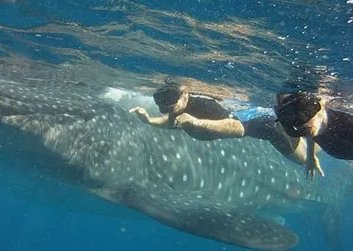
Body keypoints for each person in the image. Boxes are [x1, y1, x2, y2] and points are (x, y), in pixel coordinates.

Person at [130, 80, 323, 178]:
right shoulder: (179, 108)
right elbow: (174, 122)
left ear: (185, 95)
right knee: (311, 143)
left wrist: (198, 124)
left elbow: (237, 127)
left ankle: (323, 129)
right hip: (255, 122)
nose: (168, 111)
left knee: (306, 159)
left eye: (171, 107)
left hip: (266, 127)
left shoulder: (206, 106)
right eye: (163, 109)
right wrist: (149, 120)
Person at [275, 91, 353, 165]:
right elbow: (309, 133)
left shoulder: (347, 123)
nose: (301, 126)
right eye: (293, 122)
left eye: (303, 115)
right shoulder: (311, 127)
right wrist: (311, 156)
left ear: (321, 107)